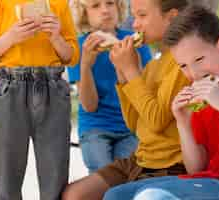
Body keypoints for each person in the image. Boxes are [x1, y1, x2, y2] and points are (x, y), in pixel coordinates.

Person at [103, 5, 219, 200]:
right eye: (183, 65)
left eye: (199, 59)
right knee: (116, 195)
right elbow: (196, 167)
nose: (193, 73)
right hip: (205, 181)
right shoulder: (198, 94)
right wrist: (182, 121)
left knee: (151, 197)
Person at [62, 0, 191, 199]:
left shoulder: (183, 64)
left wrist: (131, 71)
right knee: (73, 194)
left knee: (112, 195)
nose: (135, 25)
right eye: (135, 16)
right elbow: (134, 124)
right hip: (139, 160)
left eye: (142, 16)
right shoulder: (155, 65)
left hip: (167, 165)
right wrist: (122, 74)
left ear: (172, 17)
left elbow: (156, 121)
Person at [0, 0, 79, 199]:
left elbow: (71, 56)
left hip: (52, 87)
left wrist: (56, 37)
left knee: (55, 182)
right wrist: (10, 37)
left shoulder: (58, 3)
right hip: (10, 88)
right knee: (7, 182)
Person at [67, 0, 152, 173]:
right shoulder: (78, 47)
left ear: (119, 7)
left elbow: (145, 94)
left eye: (110, 3)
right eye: (96, 6)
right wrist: (86, 65)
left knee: (123, 175)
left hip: (130, 128)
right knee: (103, 174)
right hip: (95, 127)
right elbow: (90, 106)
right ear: (84, 13)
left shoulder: (136, 42)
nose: (105, 10)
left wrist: (129, 63)